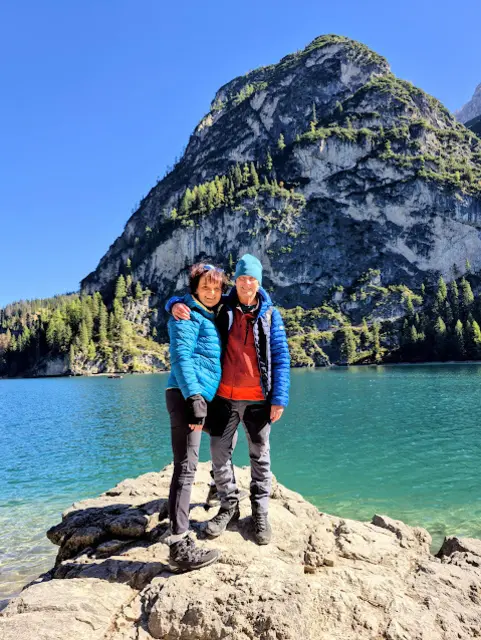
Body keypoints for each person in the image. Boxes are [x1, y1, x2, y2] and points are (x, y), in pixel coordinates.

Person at [169, 254, 290, 545]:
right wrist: (172, 304)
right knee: (219, 454)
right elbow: (196, 299)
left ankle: (260, 512)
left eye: (252, 279)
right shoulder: (224, 306)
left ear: (259, 282)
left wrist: (279, 398)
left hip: (259, 399)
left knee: (260, 456)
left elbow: (281, 357)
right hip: (224, 398)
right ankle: (229, 506)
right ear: (235, 281)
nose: (247, 284)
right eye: (242, 278)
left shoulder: (270, 314)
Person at [165, 263, 228, 571]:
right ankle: (178, 546)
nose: (212, 293)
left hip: (204, 395)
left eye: (216, 288)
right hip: (186, 395)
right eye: (205, 287)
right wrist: (194, 399)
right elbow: (180, 357)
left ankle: (218, 485)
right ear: (194, 289)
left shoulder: (210, 313)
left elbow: (253, 295)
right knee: (186, 467)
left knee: (224, 434)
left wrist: (171, 301)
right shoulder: (186, 315)